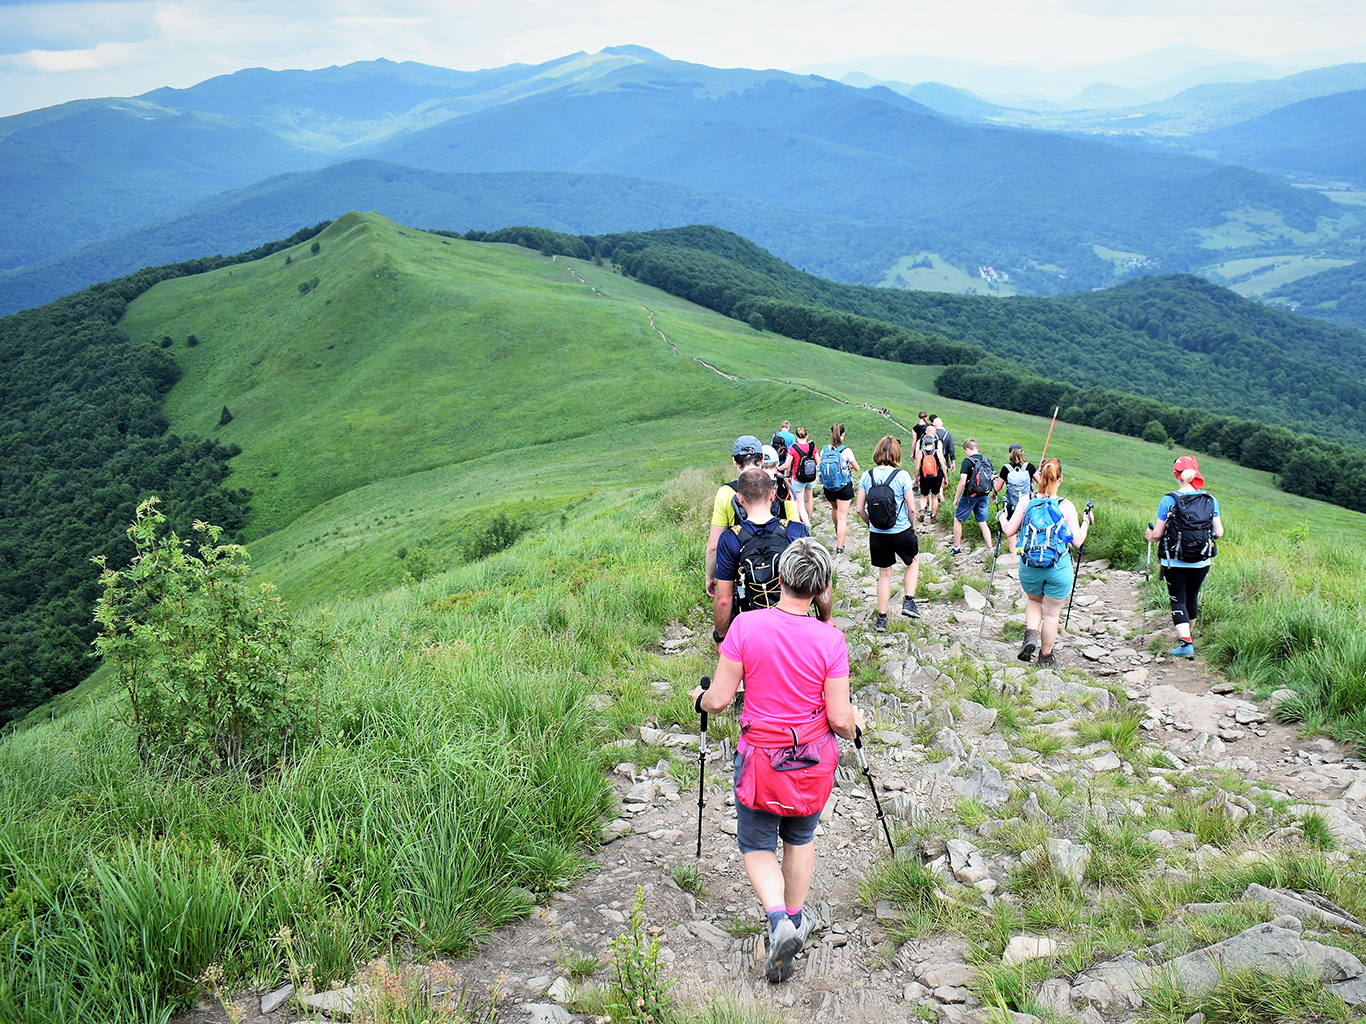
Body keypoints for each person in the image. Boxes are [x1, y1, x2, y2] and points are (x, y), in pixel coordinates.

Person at [691, 537, 863, 984]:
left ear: (780, 578)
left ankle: (777, 922)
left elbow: (720, 699)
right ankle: (795, 915)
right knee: (800, 836)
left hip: (760, 760)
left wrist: (700, 698)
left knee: (754, 842)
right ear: (822, 587)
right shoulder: (832, 639)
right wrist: (855, 723)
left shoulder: (746, 627)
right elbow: (840, 719)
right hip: (811, 762)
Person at [713, 469, 824, 644]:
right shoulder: (795, 531)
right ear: (772, 495)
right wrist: (826, 618)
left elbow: (724, 600)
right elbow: (820, 582)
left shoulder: (729, 539)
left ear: (740, 499)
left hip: (753, 631)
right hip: (794, 626)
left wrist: (721, 637)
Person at [1000, 458, 1092, 666]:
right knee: (1052, 613)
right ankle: (1045, 657)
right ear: (1060, 479)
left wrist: (1002, 517)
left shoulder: (1026, 500)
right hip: (1058, 567)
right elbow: (1077, 541)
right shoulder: (1066, 506)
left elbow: (1009, 530)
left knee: (1034, 601)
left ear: (1039, 477)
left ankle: (1030, 636)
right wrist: (1086, 521)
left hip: (1030, 566)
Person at [1144, 456, 1222, 659]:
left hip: (1174, 560)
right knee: (1191, 596)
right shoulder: (1210, 500)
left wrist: (1148, 535)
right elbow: (1219, 532)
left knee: (1177, 598)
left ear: (1176, 475)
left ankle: (1185, 643)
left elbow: (1158, 535)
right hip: (1202, 560)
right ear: (1196, 474)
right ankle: (1188, 636)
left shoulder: (1168, 500)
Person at [856, 436, 922, 631]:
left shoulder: (867, 476)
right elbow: (912, 508)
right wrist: (911, 526)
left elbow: (859, 509)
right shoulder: (902, 476)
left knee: (884, 575)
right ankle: (909, 601)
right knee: (913, 561)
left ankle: (882, 618)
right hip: (901, 531)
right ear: (896, 453)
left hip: (878, 534)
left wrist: (871, 525)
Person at [706, 436, 765, 598]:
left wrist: (710, 577)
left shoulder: (725, 493)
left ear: (734, 461)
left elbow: (713, 545)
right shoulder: (779, 490)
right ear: (762, 459)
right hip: (779, 575)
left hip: (741, 573)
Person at [818, 424, 860, 555]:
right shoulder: (846, 451)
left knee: (834, 509)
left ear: (832, 434)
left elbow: (820, 467)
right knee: (843, 517)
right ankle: (840, 547)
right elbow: (857, 467)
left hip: (828, 487)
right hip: (843, 486)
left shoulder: (824, 450)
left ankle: (837, 531)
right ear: (843, 435)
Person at [950, 438, 993, 556]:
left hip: (969, 496)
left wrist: (956, 497)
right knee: (982, 521)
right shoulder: (986, 460)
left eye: (965, 450)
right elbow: (993, 477)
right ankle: (990, 549)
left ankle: (957, 547)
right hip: (984, 495)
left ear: (968, 449)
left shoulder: (967, 461)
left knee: (958, 518)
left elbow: (963, 482)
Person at [993, 444, 1037, 556]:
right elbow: (1042, 482)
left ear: (1009, 454)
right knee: (1029, 527)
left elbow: (997, 488)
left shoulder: (1005, 469)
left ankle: (1014, 554)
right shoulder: (1029, 467)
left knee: (1011, 529)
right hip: (1029, 505)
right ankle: (1028, 551)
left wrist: (994, 481)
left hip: (1012, 505)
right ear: (1022, 453)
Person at [786, 426, 819, 526]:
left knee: (799, 501)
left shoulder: (793, 448)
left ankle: (803, 522)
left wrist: (788, 475)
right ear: (807, 435)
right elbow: (818, 462)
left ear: (796, 436)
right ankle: (809, 517)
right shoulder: (813, 447)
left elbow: (787, 465)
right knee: (809, 498)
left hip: (798, 478)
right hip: (811, 476)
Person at [915, 423, 946, 522]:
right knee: (934, 496)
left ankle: (922, 510)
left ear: (924, 443)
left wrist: (917, 478)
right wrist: (946, 478)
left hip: (924, 477)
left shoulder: (920, 453)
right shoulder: (937, 452)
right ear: (933, 443)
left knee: (923, 495)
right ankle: (933, 517)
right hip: (937, 477)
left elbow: (917, 468)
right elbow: (944, 466)